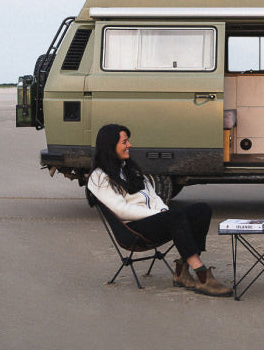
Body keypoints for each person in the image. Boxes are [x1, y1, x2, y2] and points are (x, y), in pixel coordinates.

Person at [88, 123, 232, 297]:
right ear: (111, 146)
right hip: (132, 230)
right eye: (124, 142)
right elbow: (120, 210)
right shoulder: (99, 177)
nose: (129, 145)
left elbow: (153, 196)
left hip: (152, 221)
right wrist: (159, 215)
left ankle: (182, 271)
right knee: (175, 216)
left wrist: (162, 210)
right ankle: (202, 276)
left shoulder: (128, 168)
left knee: (202, 209)